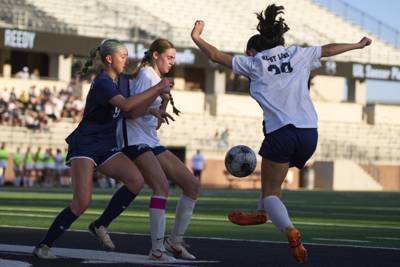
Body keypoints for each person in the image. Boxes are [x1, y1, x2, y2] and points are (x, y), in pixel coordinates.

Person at [191, 4, 371, 263]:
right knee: (274, 187)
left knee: (271, 192)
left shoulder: (254, 63)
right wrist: (356, 45)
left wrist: (197, 37)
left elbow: (217, 56)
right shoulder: (298, 54)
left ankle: (289, 229)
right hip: (309, 133)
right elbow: (329, 49)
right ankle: (261, 212)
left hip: (281, 133)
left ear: (256, 47)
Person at [32, 38, 173, 259]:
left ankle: (100, 224)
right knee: (82, 203)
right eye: (123, 56)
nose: (126, 60)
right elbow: (126, 105)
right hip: (86, 145)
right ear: (109, 59)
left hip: (106, 146)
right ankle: (44, 246)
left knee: (136, 180)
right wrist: (157, 88)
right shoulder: (103, 82)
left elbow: (129, 111)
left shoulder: (121, 81)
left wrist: (151, 110)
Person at [90, 38, 200, 262]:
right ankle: (157, 250)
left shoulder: (156, 78)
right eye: (169, 57)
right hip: (134, 139)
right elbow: (130, 112)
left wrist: (163, 103)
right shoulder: (146, 76)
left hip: (150, 139)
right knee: (161, 187)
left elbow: (154, 121)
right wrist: (157, 95)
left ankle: (175, 241)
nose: (172, 62)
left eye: (173, 59)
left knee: (191, 184)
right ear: (156, 55)